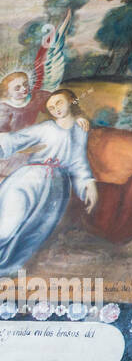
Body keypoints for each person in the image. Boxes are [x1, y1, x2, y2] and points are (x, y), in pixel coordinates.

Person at [0, 89, 97, 275]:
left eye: (59, 103)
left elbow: (78, 163)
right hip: (29, 180)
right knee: (7, 226)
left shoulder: (80, 129)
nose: (55, 109)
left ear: (72, 101)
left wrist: (88, 184)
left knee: (33, 232)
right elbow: (16, 140)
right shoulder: (46, 128)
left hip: (55, 189)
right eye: (51, 107)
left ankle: (5, 268)